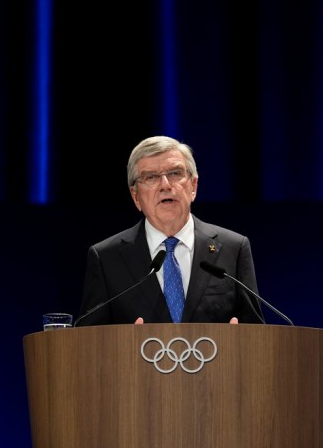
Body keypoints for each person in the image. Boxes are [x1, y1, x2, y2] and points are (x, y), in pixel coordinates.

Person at [77, 135, 264, 326]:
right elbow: (90, 342)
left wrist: (240, 342)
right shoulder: (107, 258)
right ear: (136, 197)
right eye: (150, 177)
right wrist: (126, 346)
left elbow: (257, 336)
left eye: (175, 173)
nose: (165, 185)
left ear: (193, 186)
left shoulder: (233, 248)